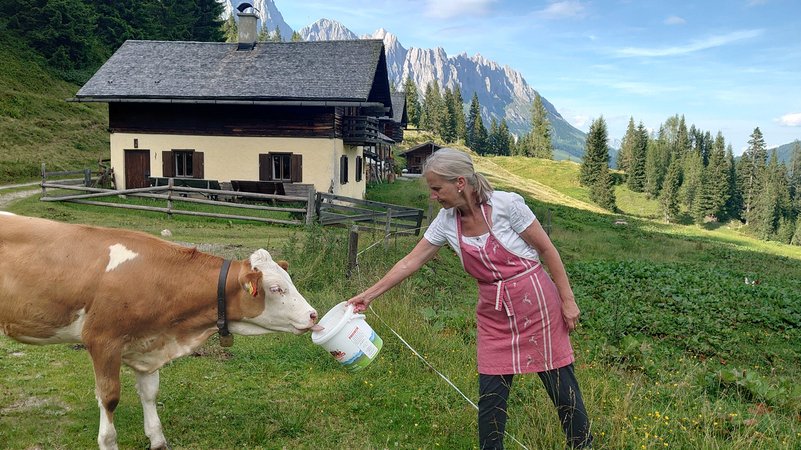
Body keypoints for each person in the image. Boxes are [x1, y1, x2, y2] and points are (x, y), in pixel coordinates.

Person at [347, 148, 593, 449]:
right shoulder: (446, 221)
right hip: (494, 313)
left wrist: (568, 300)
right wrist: (368, 296)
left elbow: (547, 250)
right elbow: (411, 261)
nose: (433, 196)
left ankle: (582, 444)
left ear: (460, 183)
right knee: (491, 395)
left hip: (537, 306)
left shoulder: (507, 205)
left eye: (437, 189)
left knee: (560, 386)